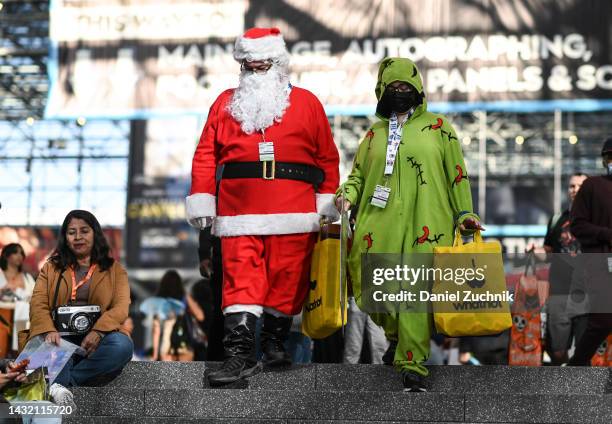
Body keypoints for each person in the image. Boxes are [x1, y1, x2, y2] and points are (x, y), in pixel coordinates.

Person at [186, 27, 340, 386]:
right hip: (239, 213)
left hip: (296, 211)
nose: (256, 70)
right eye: (249, 66)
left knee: (288, 280)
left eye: (263, 65)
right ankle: (238, 355)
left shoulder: (308, 103)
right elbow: (206, 153)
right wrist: (203, 196)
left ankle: (274, 342)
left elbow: (327, 157)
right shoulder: (225, 103)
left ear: (279, 63)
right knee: (240, 282)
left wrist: (326, 200)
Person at [335, 57, 481, 391]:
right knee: (373, 286)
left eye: (405, 87)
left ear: (417, 89)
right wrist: (347, 194)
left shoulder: (440, 127)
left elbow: (457, 175)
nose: (399, 92)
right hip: (378, 224)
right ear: (381, 90)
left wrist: (464, 214)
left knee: (414, 292)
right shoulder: (373, 134)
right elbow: (357, 175)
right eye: (392, 87)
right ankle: (397, 338)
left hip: (427, 222)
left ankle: (412, 362)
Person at [26, 210, 133, 405]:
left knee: (122, 345)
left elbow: (121, 306)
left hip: (98, 337)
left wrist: (99, 331)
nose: (77, 237)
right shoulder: (51, 267)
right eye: (71, 232)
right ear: (65, 238)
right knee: (53, 346)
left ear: (95, 234)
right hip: (58, 336)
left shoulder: (115, 269)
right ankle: (61, 383)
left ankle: (61, 383)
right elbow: (38, 303)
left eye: (84, 231)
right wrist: (48, 329)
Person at [568, 138, 612, 365]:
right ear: (605, 161)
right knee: (603, 320)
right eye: (610, 157)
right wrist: (606, 234)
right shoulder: (592, 186)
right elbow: (577, 224)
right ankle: (576, 366)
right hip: (600, 263)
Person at [540, 173, 588, 364]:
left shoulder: (600, 218)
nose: (575, 190)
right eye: (572, 186)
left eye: (580, 186)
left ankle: (582, 390)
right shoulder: (557, 219)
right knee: (557, 351)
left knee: (587, 351)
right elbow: (548, 250)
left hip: (588, 294)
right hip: (559, 293)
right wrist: (536, 251)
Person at [151, 270, 205, 361]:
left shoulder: (160, 302)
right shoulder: (184, 300)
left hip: (166, 348)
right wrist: (186, 295)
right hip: (185, 346)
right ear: (179, 284)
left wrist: (155, 353)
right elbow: (200, 316)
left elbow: (156, 329)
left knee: (167, 374)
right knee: (186, 374)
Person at [0, 243, 36, 352]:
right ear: (6, 255)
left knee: (20, 350)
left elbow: (36, 296)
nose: (19, 256)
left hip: (23, 318)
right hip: (2, 317)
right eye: (15, 252)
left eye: (21, 253)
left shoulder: (27, 277)